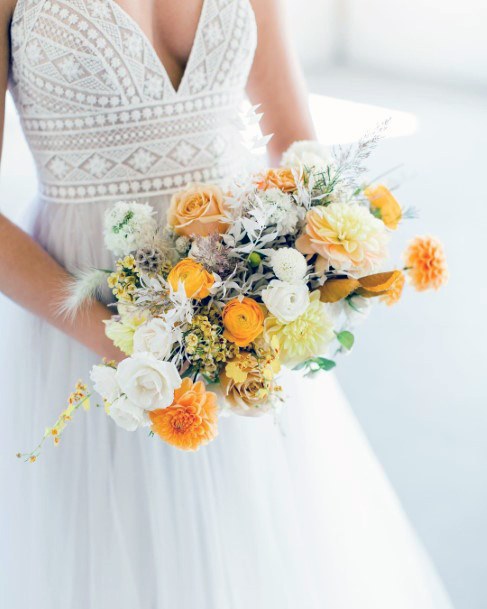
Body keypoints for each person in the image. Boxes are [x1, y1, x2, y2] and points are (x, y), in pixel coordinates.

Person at [0, 1, 454, 607]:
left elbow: (294, 142)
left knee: (255, 547)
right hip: (86, 319)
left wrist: (303, 275)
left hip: (239, 317)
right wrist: (124, 344)